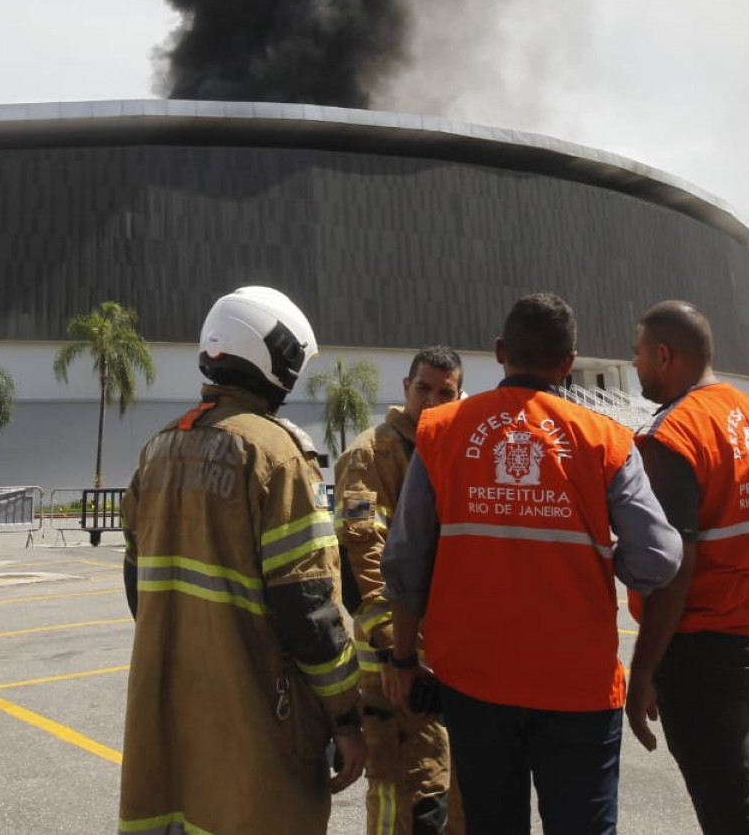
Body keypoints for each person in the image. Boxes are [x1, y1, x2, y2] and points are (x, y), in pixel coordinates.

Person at [382, 294, 682, 835]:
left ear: (498, 352)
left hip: (475, 684)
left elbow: (406, 559)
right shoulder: (605, 439)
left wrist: (404, 660)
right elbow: (659, 556)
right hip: (578, 685)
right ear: (569, 362)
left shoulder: (441, 432)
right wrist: (605, 561)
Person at [119, 286, 365, 835]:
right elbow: (310, 609)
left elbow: (139, 589)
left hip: (167, 714)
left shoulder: (157, 450)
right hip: (256, 719)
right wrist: (346, 716)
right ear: (275, 360)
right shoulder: (276, 455)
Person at [625, 300, 749, 835]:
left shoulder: (671, 436)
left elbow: (673, 568)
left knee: (736, 821)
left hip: (705, 656)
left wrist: (642, 675)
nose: (633, 367)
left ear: (663, 355)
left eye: (636, 356)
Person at [334, 345, 466, 835]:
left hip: (452, 660)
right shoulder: (373, 455)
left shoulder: (458, 447)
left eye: (446, 392)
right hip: (397, 667)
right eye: (424, 388)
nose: (433, 400)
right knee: (407, 796)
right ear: (405, 388)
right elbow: (361, 560)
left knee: (456, 795)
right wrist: (397, 652)